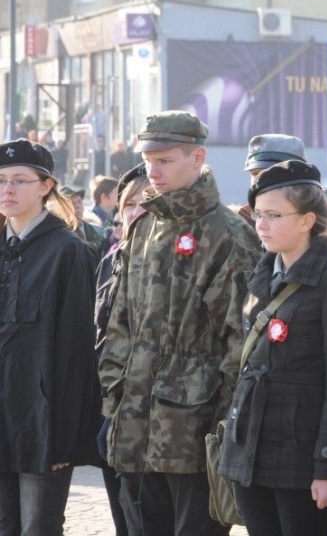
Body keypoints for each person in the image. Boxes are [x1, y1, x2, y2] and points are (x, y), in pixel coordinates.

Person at [97, 111, 260, 536]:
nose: (153, 170)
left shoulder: (228, 233)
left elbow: (240, 343)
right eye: (149, 159)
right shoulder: (144, 226)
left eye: (165, 160)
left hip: (193, 431)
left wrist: (224, 424)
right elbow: (119, 322)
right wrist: (116, 394)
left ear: (198, 156)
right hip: (136, 424)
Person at [218, 160, 327, 535]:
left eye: (274, 215)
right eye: (258, 215)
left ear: (307, 220)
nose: (261, 225)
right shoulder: (265, 271)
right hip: (251, 448)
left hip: (301, 455)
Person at [0, 139, 99, 535]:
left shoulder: (68, 251)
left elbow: (77, 353)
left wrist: (64, 436)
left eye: (20, 180)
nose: (8, 189)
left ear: (45, 186)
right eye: (2, 180)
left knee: (38, 527)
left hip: (43, 425)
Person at [94, 163, 150, 536]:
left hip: (154, 419)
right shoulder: (111, 261)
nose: (135, 212)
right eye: (128, 205)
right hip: (111, 412)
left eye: (145, 203)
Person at [239, 133, 308, 224]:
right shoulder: (240, 224)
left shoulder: (314, 223)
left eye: (269, 174)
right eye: (255, 174)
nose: (259, 180)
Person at [59, 184, 109, 261]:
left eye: (79, 202)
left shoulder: (99, 232)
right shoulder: (57, 234)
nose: (77, 206)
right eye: (72, 203)